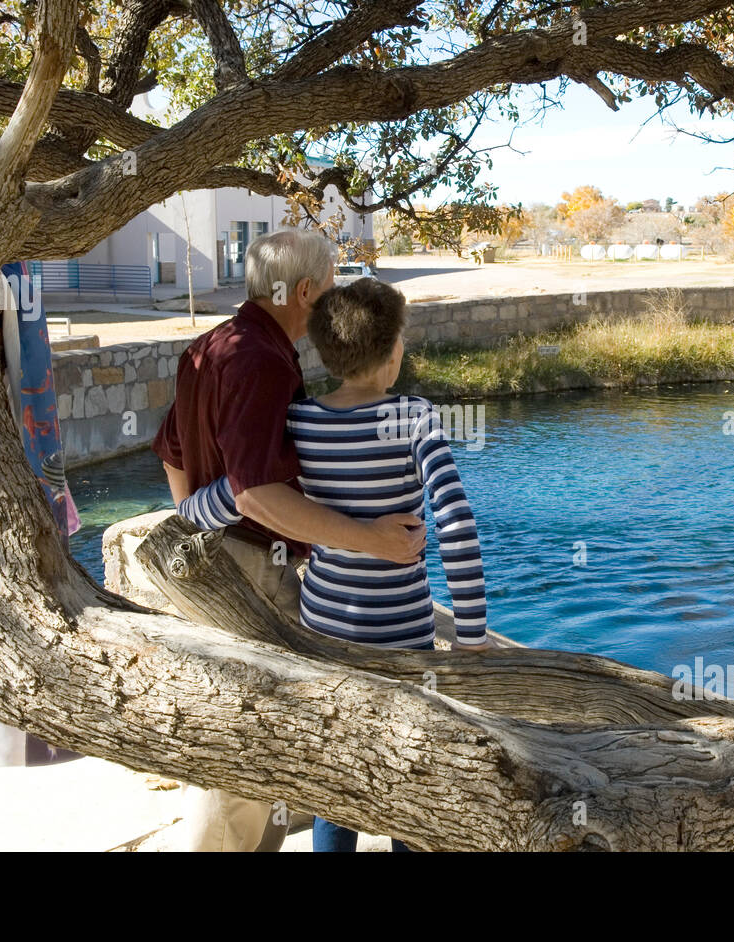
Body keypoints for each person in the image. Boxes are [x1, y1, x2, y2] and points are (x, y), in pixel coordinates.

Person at [181, 277, 490, 852]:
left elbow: (235, 492)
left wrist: (187, 511)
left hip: (325, 632)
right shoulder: (415, 417)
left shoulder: (300, 421)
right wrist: (470, 638)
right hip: (403, 636)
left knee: (337, 780)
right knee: (412, 782)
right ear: (395, 350)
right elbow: (455, 522)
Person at [153, 230, 429, 852]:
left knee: (241, 742)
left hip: (218, 567)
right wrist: (372, 540)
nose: (336, 302)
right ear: (304, 291)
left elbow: (170, 450)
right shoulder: (261, 361)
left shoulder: (211, 345)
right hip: (255, 570)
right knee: (247, 753)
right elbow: (255, 493)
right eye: (330, 288)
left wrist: (196, 521)